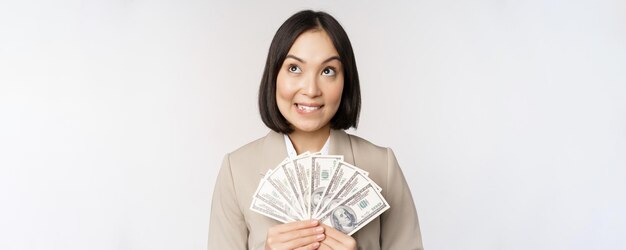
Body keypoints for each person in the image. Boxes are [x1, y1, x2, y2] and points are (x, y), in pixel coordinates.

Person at [208, 10, 423, 250]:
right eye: (294, 68)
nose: (311, 89)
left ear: (346, 81)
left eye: (327, 71)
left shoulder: (382, 166)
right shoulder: (236, 170)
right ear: (274, 76)